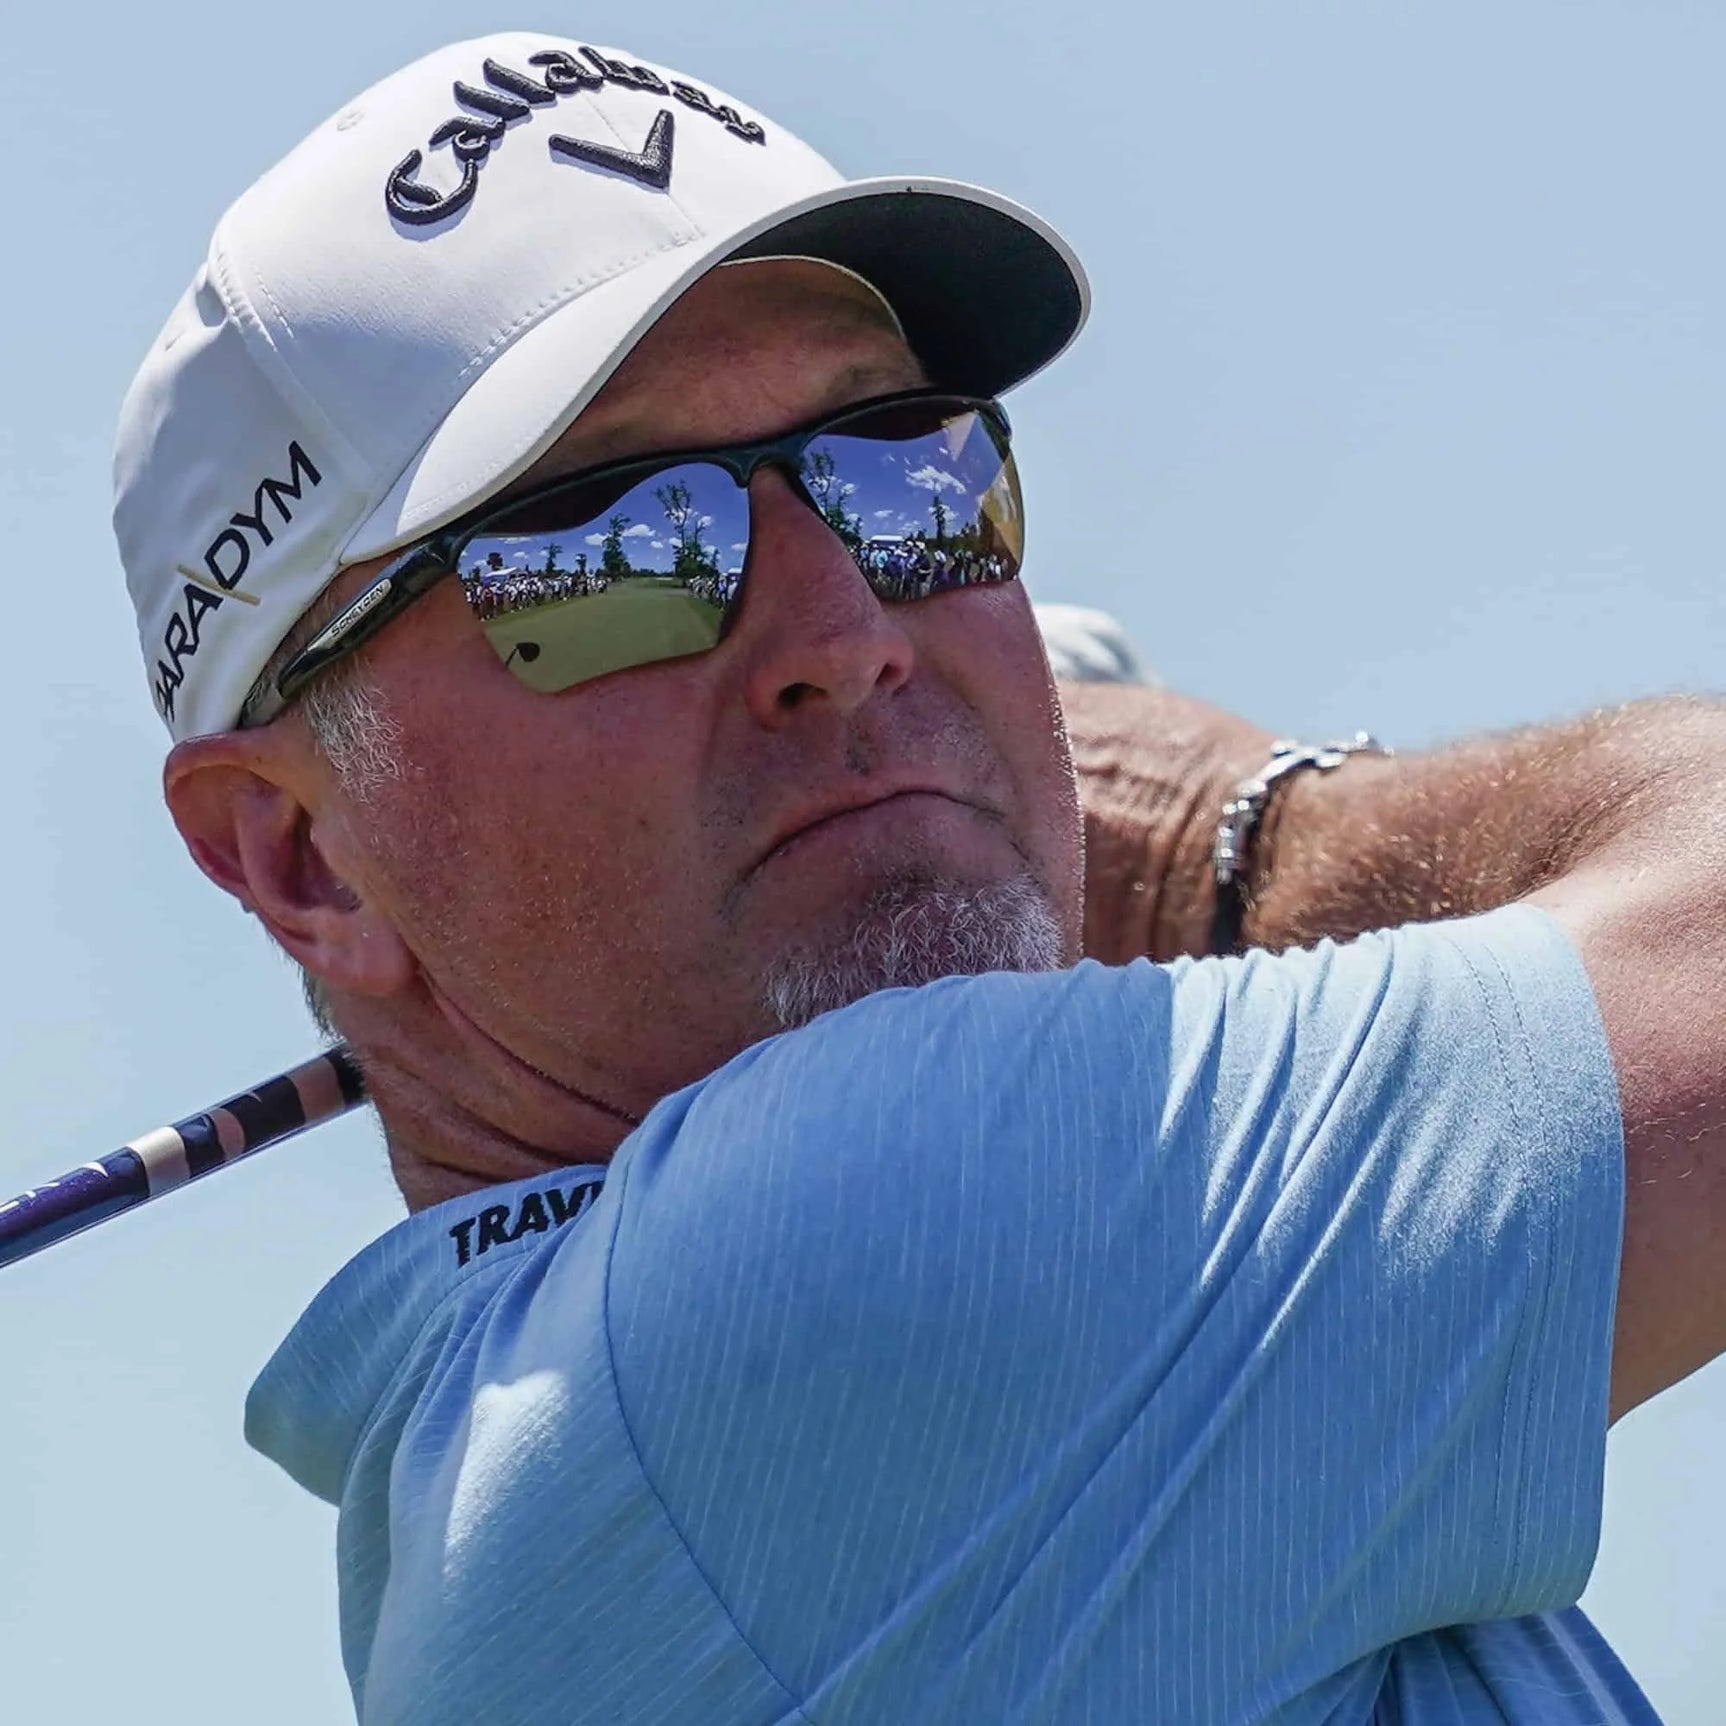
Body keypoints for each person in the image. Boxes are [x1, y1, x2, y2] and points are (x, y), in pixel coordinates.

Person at [113, 32, 1723, 1726]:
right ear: (300, 860)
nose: (845, 634)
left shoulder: (529, 1455)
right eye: (606, 553)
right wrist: (1203, 831)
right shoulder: (834, 1262)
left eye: (901, 473)